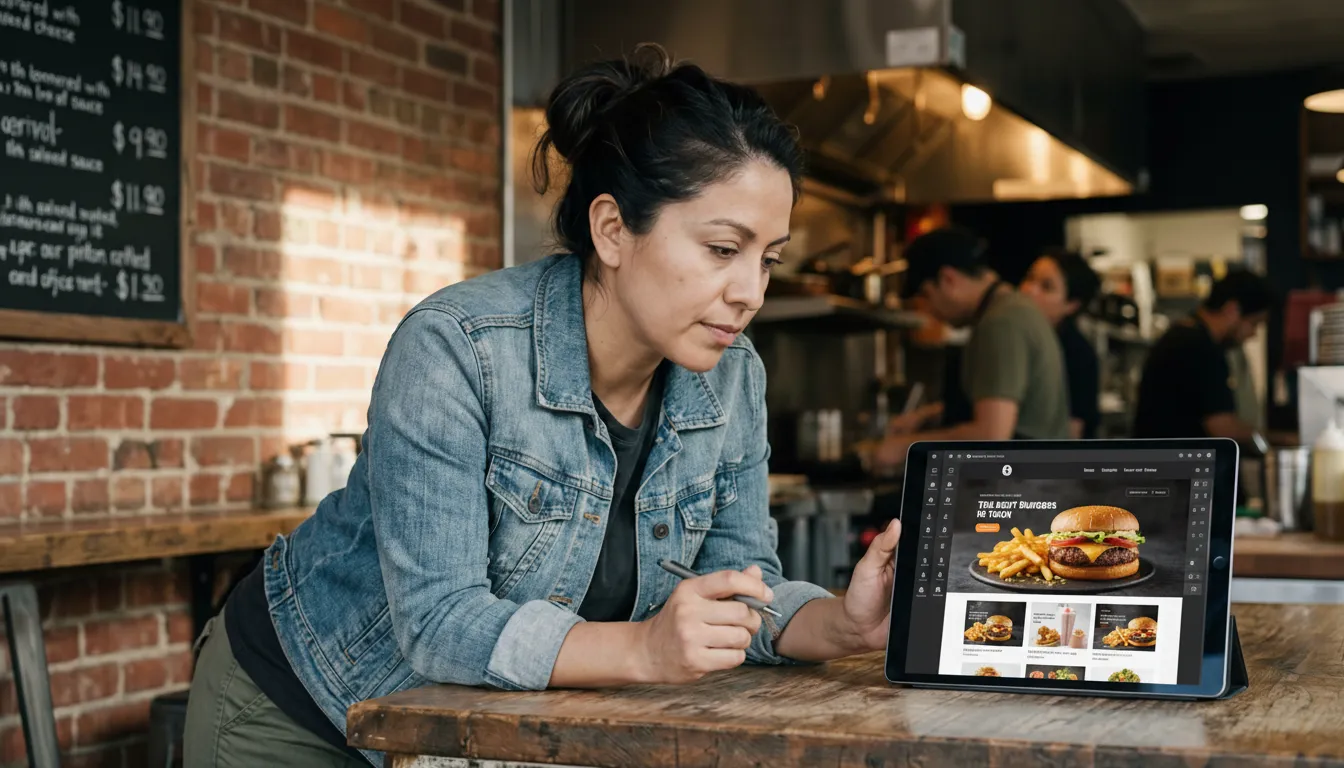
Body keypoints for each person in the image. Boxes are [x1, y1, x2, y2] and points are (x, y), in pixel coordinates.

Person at [184, 44, 901, 767]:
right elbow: (439, 623)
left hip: (468, 737)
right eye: (722, 249)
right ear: (613, 230)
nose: (751, 290)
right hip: (302, 709)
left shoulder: (731, 375)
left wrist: (841, 624)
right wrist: (645, 647)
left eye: (768, 259)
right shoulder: (458, 347)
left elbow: (743, 586)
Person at [877, 227, 1070, 467]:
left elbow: (991, 435)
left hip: (1022, 488)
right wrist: (925, 416)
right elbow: (1004, 399)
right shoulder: (1011, 308)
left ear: (948, 279)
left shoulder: (1001, 322)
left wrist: (905, 447)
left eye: (926, 295)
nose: (930, 310)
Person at [1132, 269, 1273, 441]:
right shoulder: (1201, 348)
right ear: (1231, 310)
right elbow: (1222, 427)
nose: (1253, 334)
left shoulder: (1183, 336)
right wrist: (1267, 440)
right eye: (1254, 324)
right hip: (1177, 464)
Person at [1019, 248, 1103, 439]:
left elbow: (1073, 431)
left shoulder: (1077, 353)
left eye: (1046, 287)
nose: (1029, 290)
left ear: (1071, 304)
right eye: (1029, 278)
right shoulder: (1017, 337)